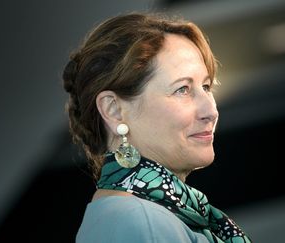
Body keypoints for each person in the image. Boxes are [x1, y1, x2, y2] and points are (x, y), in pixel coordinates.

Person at [62, 12, 252, 243]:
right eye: (182, 89)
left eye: (206, 86)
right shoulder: (139, 221)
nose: (211, 111)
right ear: (114, 109)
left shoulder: (144, 216)